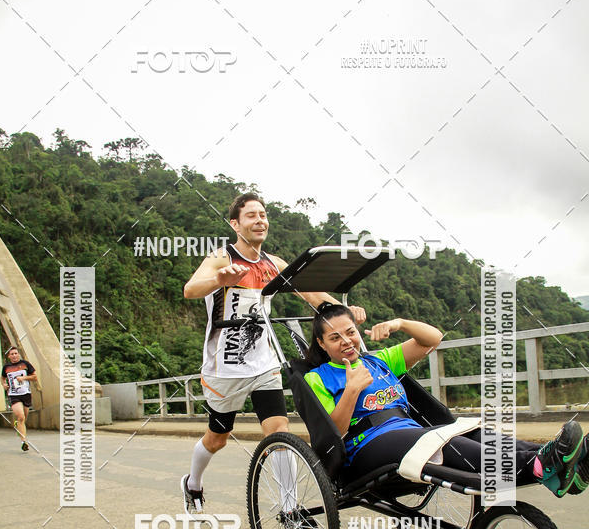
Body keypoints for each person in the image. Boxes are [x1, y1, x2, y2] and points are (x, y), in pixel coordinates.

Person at [180, 193, 366, 512]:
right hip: (224, 370)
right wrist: (218, 280)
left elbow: (311, 295)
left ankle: (290, 511)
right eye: (251, 215)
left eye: (263, 215)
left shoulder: (274, 264)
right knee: (218, 437)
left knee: (280, 430)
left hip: (264, 364)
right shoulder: (221, 258)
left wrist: (343, 311)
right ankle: (192, 483)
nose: (260, 220)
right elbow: (190, 290)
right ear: (235, 224)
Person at [303, 303, 589, 497]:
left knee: (473, 433)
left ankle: (563, 464)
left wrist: (399, 323)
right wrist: (352, 389)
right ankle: (539, 467)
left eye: (350, 332)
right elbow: (334, 433)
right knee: (444, 441)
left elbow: (432, 339)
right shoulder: (319, 377)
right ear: (322, 343)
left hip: (409, 429)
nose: (346, 341)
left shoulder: (379, 360)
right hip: (365, 445)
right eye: (335, 337)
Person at [1, 346, 38, 452]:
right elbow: (3, 378)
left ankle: (18, 424)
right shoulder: (6, 367)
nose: (14, 356)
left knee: (23, 418)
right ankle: (24, 442)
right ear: (9, 356)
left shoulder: (25, 364)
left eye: (16, 353)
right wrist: (4, 384)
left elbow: (35, 377)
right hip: (13, 395)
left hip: (26, 394)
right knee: (21, 416)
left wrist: (23, 378)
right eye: (12, 354)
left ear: (18, 354)